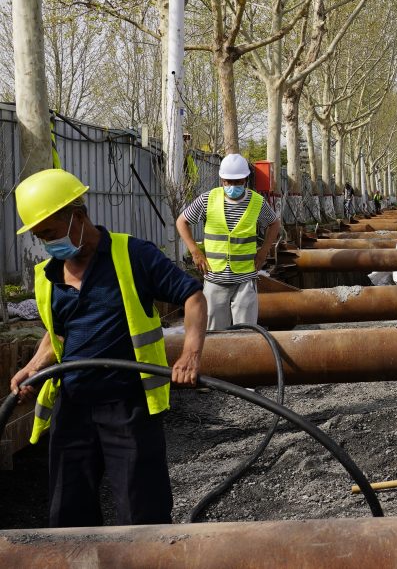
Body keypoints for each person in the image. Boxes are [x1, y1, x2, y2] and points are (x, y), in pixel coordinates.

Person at [9, 168, 207, 527]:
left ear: (78, 216)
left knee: (142, 511)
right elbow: (60, 332)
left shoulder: (134, 255)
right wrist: (34, 365)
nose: (47, 244)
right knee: (67, 513)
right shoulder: (47, 276)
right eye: (40, 237)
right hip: (73, 406)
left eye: (50, 233)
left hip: (128, 405)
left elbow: (193, 297)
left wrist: (190, 354)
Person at [176, 153, 281, 330]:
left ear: (245, 179)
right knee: (214, 333)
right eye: (228, 182)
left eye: (237, 182)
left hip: (245, 278)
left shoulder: (257, 202)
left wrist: (264, 251)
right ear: (222, 180)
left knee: (246, 332)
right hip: (215, 278)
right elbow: (182, 221)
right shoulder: (207, 199)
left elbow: (274, 223)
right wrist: (195, 251)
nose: (232, 186)